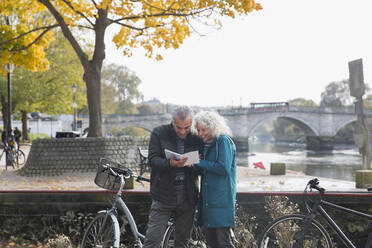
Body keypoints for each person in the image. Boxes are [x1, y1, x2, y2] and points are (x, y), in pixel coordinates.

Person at [143, 106, 203, 248]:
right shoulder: (159, 133)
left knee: (182, 243)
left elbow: (202, 169)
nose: (182, 132)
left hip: (187, 198)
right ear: (172, 122)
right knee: (152, 241)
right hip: (163, 195)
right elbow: (152, 160)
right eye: (178, 127)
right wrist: (170, 163)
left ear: (192, 123)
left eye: (187, 128)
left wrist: (193, 164)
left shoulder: (197, 137)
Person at [192, 111, 237, 248]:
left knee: (224, 242)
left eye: (203, 130)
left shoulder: (223, 141)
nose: (200, 133)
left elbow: (224, 168)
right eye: (198, 130)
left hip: (220, 200)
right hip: (208, 200)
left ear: (213, 127)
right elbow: (207, 169)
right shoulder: (209, 144)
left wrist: (198, 162)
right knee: (211, 242)